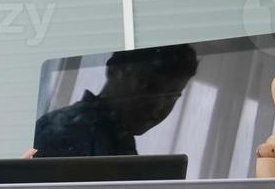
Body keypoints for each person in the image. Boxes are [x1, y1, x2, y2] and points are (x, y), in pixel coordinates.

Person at [34, 45, 200, 157]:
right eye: (149, 87)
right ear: (114, 70)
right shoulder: (65, 132)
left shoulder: (118, 137)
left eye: (172, 96)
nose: (158, 107)